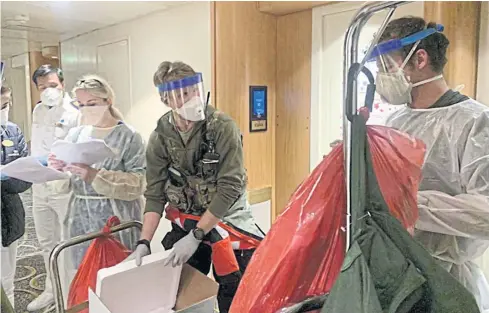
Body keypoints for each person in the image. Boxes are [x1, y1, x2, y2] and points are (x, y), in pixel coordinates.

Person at [125, 61, 264, 313]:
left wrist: (198, 235)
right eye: (180, 95)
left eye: (191, 91)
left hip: (228, 222)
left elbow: (230, 187)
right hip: (185, 220)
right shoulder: (160, 137)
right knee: (182, 291)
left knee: (235, 292)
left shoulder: (222, 127)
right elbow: (154, 193)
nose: (190, 99)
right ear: (166, 100)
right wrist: (144, 241)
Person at [373, 16, 489, 312]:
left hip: (449, 280)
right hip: (401, 273)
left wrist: (410, 205)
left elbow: (485, 212)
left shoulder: (474, 122)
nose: (381, 77)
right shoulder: (395, 121)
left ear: (420, 58)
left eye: (386, 66)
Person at [48, 74, 145, 277]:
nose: (86, 110)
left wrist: (95, 175)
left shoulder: (129, 137)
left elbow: (138, 183)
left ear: (107, 101)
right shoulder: (76, 135)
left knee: (118, 277)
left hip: (117, 219)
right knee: (84, 275)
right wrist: (58, 169)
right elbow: (64, 184)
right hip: (79, 219)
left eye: (91, 104)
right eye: (80, 105)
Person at [28, 64, 80, 311]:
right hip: (40, 187)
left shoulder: (75, 112)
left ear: (62, 85)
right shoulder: (37, 111)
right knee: (46, 241)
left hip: (64, 188)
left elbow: (81, 151)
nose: (48, 91)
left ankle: (69, 294)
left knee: (67, 244)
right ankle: (52, 288)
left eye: (52, 86)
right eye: (42, 87)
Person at [0, 85, 31, 309]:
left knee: (7, 280)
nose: (5, 109)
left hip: (9, 216)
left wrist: (4, 177)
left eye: (6, 104)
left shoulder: (12, 132)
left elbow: (25, 178)